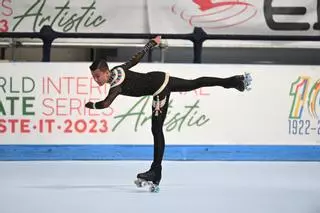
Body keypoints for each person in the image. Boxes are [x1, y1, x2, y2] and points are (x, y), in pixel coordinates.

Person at [85, 36, 252, 187]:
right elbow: (135, 59)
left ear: (106, 72)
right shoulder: (119, 69)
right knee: (193, 84)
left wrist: (91, 105)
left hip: (159, 88)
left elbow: (106, 104)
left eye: (98, 76)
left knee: (156, 129)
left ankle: (155, 171)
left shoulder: (116, 86)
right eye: (94, 77)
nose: (96, 80)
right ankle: (235, 82)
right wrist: (151, 43)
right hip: (160, 78)